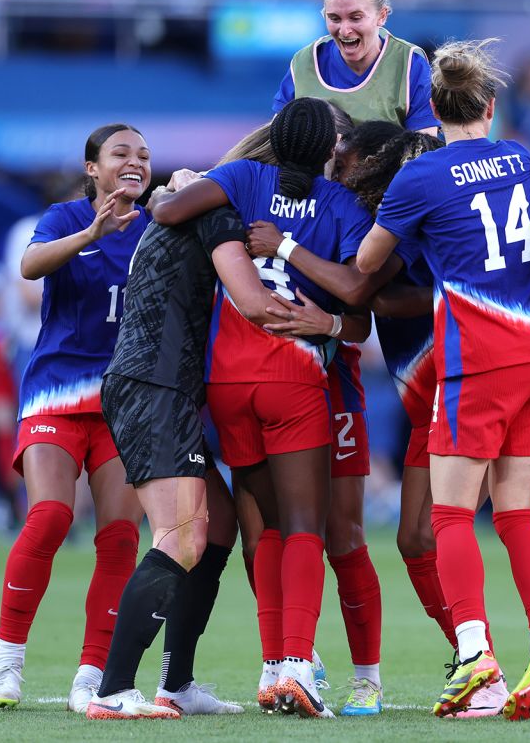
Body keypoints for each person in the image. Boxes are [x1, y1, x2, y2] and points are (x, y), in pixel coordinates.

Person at [355, 39, 530, 721]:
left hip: (480, 358)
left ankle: (474, 651)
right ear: (490, 105)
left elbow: (366, 260)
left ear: (432, 112)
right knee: (515, 513)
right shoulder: (521, 158)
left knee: (448, 514)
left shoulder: (421, 176)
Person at [152, 97, 374, 719]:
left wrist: (186, 184)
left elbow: (168, 212)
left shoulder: (244, 178)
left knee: (261, 527)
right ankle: (299, 664)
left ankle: (274, 665)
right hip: (293, 371)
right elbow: (360, 297)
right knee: (304, 525)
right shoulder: (342, 206)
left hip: (226, 378)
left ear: (272, 141)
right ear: (331, 151)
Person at [245, 125, 451, 716]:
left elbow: (360, 302)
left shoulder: (374, 220)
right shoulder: (288, 204)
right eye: (334, 156)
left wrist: (327, 311)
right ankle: (285, 661)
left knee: (344, 536)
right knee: (269, 534)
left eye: (349, 159)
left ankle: (370, 679)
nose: (339, 168)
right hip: (269, 384)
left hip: (338, 383)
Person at [0, 124, 149, 712]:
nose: (136, 162)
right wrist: (91, 232)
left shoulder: (158, 227)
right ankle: (6, 664)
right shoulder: (62, 218)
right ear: (92, 169)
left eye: (144, 155)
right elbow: (29, 268)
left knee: (120, 536)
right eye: (121, 154)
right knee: (51, 516)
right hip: (56, 393)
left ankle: (92, 676)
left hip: (122, 403)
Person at [83, 167, 258, 719]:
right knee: (181, 536)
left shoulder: (184, 207)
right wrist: (324, 323)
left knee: (218, 523)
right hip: (153, 386)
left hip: (163, 387)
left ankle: (177, 683)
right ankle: (112, 691)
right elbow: (252, 300)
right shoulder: (214, 214)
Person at [274, 0, 439, 135]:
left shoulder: (410, 64)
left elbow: (423, 150)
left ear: (382, 16)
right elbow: (277, 140)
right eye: (334, 18)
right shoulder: (304, 62)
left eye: (355, 17)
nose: (344, 31)